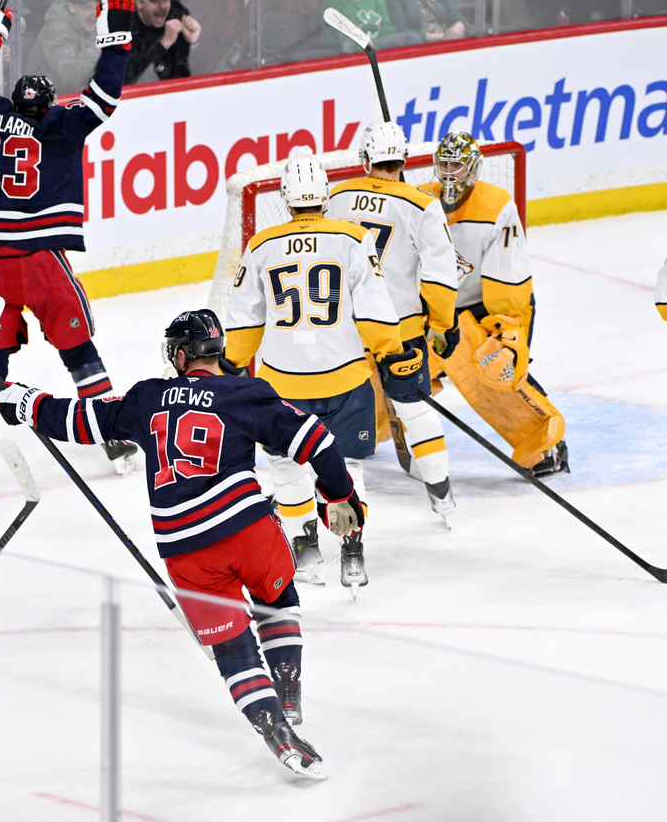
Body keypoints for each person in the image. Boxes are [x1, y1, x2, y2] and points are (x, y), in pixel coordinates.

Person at [0, 309, 365, 779]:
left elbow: (84, 421)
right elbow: (319, 441)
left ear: (181, 354)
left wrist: (25, 403)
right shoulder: (245, 392)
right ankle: (287, 695)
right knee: (278, 596)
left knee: (232, 650)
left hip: (184, 549)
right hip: (247, 529)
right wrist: (340, 495)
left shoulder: (148, 396)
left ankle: (277, 733)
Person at [0, 0, 139, 494]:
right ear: (49, 103)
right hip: (39, 261)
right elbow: (106, 94)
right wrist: (114, 30)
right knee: (78, 352)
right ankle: (112, 435)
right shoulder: (62, 124)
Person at [221, 156, 424, 593]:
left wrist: (233, 365)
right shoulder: (353, 237)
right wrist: (391, 352)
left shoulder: (261, 245)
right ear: (325, 193)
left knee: (286, 467)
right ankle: (352, 551)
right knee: (347, 464)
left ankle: (306, 547)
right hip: (346, 381)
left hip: (281, 385)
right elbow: (374, 308)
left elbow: (243, 320)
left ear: (287, 199)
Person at [328, 122, 459, 527]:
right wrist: (443, 323)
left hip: (347, 332)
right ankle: (441, 495)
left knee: (348, 421)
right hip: (400, 330)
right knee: (415, 409)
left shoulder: (336, 195)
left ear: (365, 160)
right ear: (404, 160)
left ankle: (350, 519)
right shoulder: (422, 204)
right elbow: (439, 276)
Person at [422, 132, 569, 476]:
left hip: (488, 307)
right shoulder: (422, 201)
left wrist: (505, 332)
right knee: (393, 366)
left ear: (472, 167)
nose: (447, 172)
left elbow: (509, 275)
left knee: (497, 372)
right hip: (439, 310)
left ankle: (546, 445)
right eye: (442, 163)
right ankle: (362, 434)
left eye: (455, 164)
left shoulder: (497, 206)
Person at [24, 0, 101, 95]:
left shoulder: (94, 25)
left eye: (97, 7)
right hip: (41, 100)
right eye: (87, 7)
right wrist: (100, 45)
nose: (94, 13)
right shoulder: (56, 29)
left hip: (73, 98)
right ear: (72, 7)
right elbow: (70, 75)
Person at [125, 0, 200, 84]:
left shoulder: (175, 15)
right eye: (154, 0)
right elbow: (126, 79)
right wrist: (164, 43)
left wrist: (191, 41)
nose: (162, 6)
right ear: (139, 2)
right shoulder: (125, 27)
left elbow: (186, 75)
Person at [321, 0, 423, 52]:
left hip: (379, 45)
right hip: (352, 51)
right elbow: (344, 38)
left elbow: (387, 27)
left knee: (411, 38)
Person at [378, 0, 466, 42]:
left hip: (451, 42)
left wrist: (458, 27)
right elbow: (399, 30)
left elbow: (456, 15)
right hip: (420, 48)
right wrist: (438, 37)